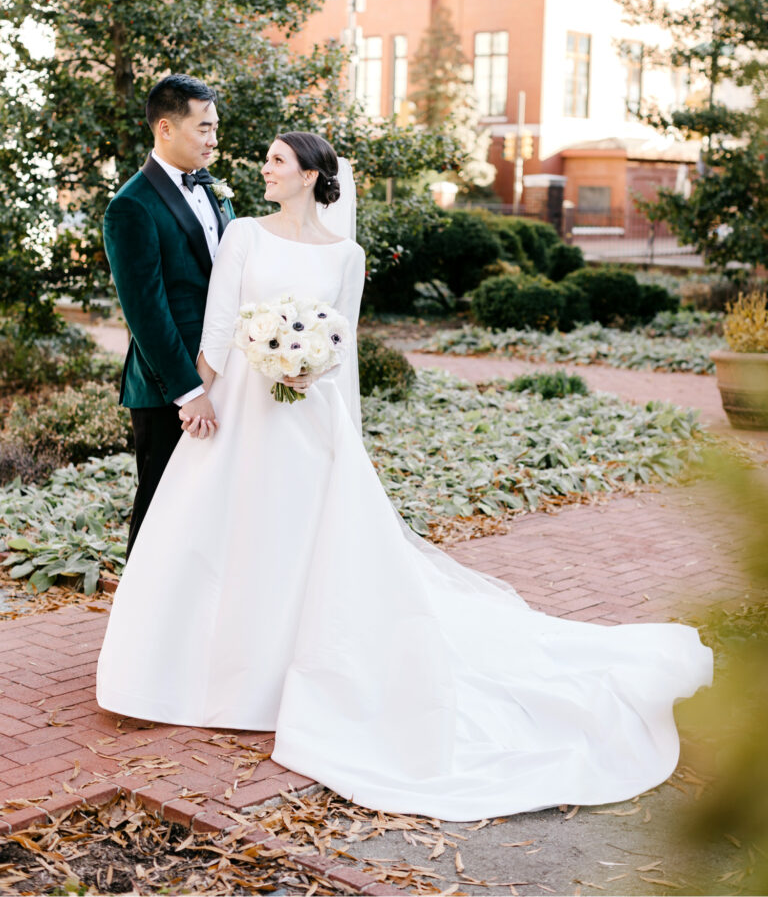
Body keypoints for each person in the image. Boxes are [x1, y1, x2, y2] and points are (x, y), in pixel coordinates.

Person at [97, 131, 712, 821]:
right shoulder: (243, 234)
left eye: (275, 160)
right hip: (241, 408)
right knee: (218, 535)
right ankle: (199, 672)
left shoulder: (347, 254)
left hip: (309, 420)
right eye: (265, 158)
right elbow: (216, 328)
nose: (263, 168)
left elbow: (343, 344)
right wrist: (199, 396)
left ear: (309, 174)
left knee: (299, 544)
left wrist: (327, 401)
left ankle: (277, 679)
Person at [103, 75, 235, 556]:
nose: (213, 139)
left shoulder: (215, 189)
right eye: (203, 128)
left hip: (225, 372)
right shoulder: (130, 207)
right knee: (161, 505)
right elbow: (146, 312)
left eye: (215, 127)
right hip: (168, 389)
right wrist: (189, 391)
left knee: (212, 507)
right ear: (165, 127)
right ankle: (139, 623)